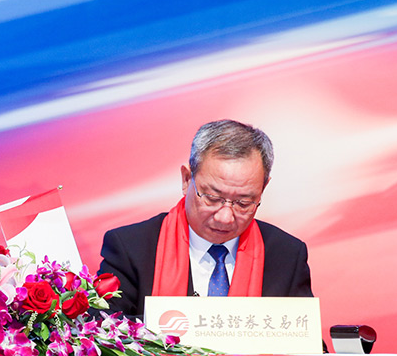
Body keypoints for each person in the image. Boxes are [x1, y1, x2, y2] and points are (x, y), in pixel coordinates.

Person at [98, 119, 313, 318]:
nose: (225, 217)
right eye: (212, 198)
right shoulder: (130, 248)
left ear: (263, 189)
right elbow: (103, 332)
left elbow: (307, 339)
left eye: (243, 203)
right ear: (186, 179)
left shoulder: (287, 256)